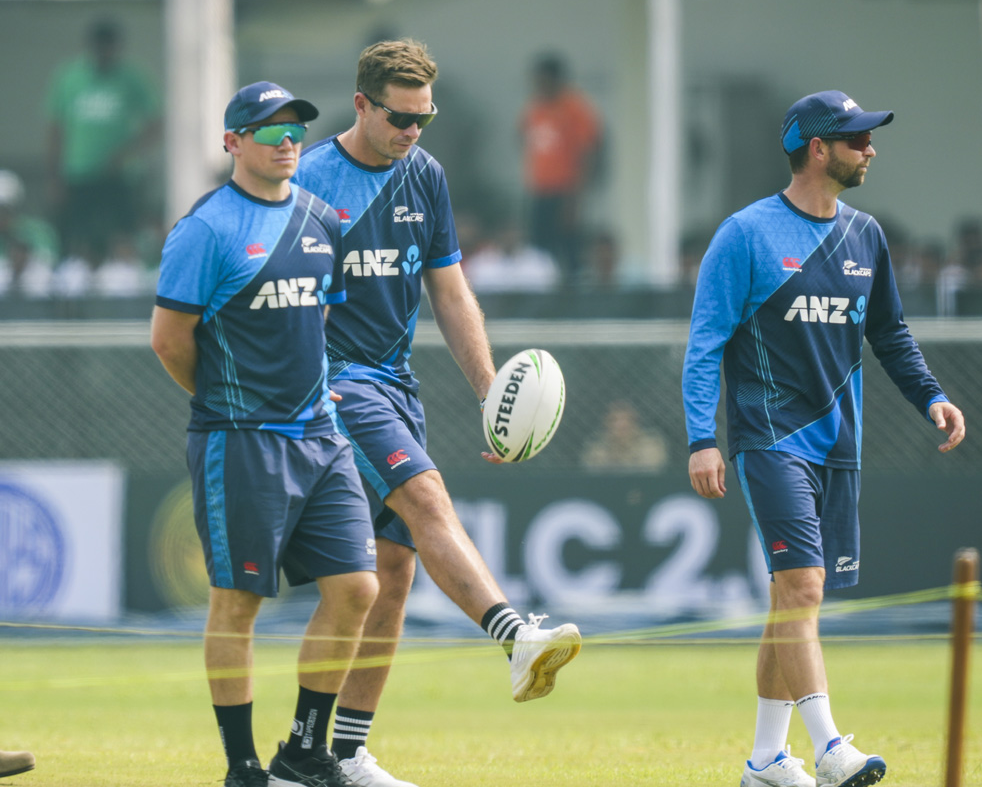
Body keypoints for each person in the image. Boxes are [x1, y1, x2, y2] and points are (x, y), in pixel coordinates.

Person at [293, 39, 582, 787]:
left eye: (424, 118)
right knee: (426, 497)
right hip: (335, 383)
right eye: (400, 118)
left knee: (391, 575)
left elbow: (450, 293)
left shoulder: (426, 176)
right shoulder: (313, 181)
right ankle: (516, 636)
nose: (413, 131)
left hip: (397, 383)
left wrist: (491, 392)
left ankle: (339, 754)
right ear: (362, 104)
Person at [682, 90, 966, 787]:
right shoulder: (745, 235)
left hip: (840, 445)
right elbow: (705, 343)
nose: (870, 149)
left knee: (790, 597)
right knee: (804, 586)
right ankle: (829, 746)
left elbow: (890, 333)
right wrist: (701, 437)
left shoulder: (866, 235)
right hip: (769, 438)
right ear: (817, 148)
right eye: (857, 139)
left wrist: (931, 394)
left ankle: (766, 760)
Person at [151, 81, 379, 787]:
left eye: (295, 130)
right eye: (270, 130)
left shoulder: (319, 217)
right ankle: (243, 767)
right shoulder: (205, 230)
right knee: (240, 603)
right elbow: (169, 341)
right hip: (241, 441)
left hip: (320, 436)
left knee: (357, 590)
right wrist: (227, 402)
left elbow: (323, 320)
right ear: (232, 144)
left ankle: (305, 752)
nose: (287, 142)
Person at [45, 18, 159, 271]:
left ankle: (125, 281)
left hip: (119, 175)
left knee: (123, 233)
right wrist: (54, 175)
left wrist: (128, 153)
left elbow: (155, 123)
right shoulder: (70, 77)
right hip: (78, 173)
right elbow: (56, 128)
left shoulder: (131, 78)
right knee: (76, 236)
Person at [519, 52, 602, 287]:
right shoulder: (535, 108)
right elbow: (525, 139)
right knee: (539, 250)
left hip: (566, 191)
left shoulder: (575, 108)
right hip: (540, 189)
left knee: (568, 246)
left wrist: (577, 196)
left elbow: (588, 152)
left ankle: (572, 296)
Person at [581, 399, 668, 473]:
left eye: (626, 420)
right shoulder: (596, 447)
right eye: (614, 420)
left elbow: (652, 471)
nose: (621, 425)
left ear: (635, 421)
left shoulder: (651, 444)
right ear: (606, 423)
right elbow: (592, 472)